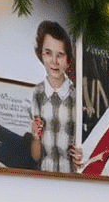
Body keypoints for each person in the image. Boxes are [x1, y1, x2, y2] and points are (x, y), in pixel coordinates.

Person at [29, 20, 81, 173]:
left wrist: (80, 155)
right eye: (48, 53)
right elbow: (35, 156)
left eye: (61, 55)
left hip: (71, 177)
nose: (54, 61)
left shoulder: (76, 97)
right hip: (45, 177)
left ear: (68, 59)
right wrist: (35, 137)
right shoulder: (37, 94)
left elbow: (83, 149)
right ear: (41, 54)